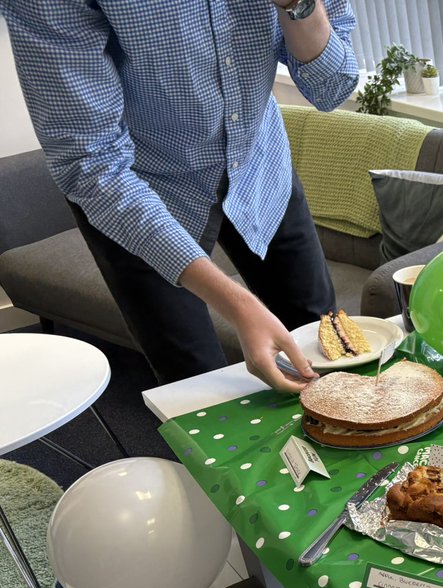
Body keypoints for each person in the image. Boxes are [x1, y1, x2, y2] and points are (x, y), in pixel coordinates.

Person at [3, 0, 359, 392]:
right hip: (137, 194)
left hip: (258, 162)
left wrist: (298, 5)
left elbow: (333, 87)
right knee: (199, 388)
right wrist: (239, 306)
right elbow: (92, 164)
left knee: (331, 348)